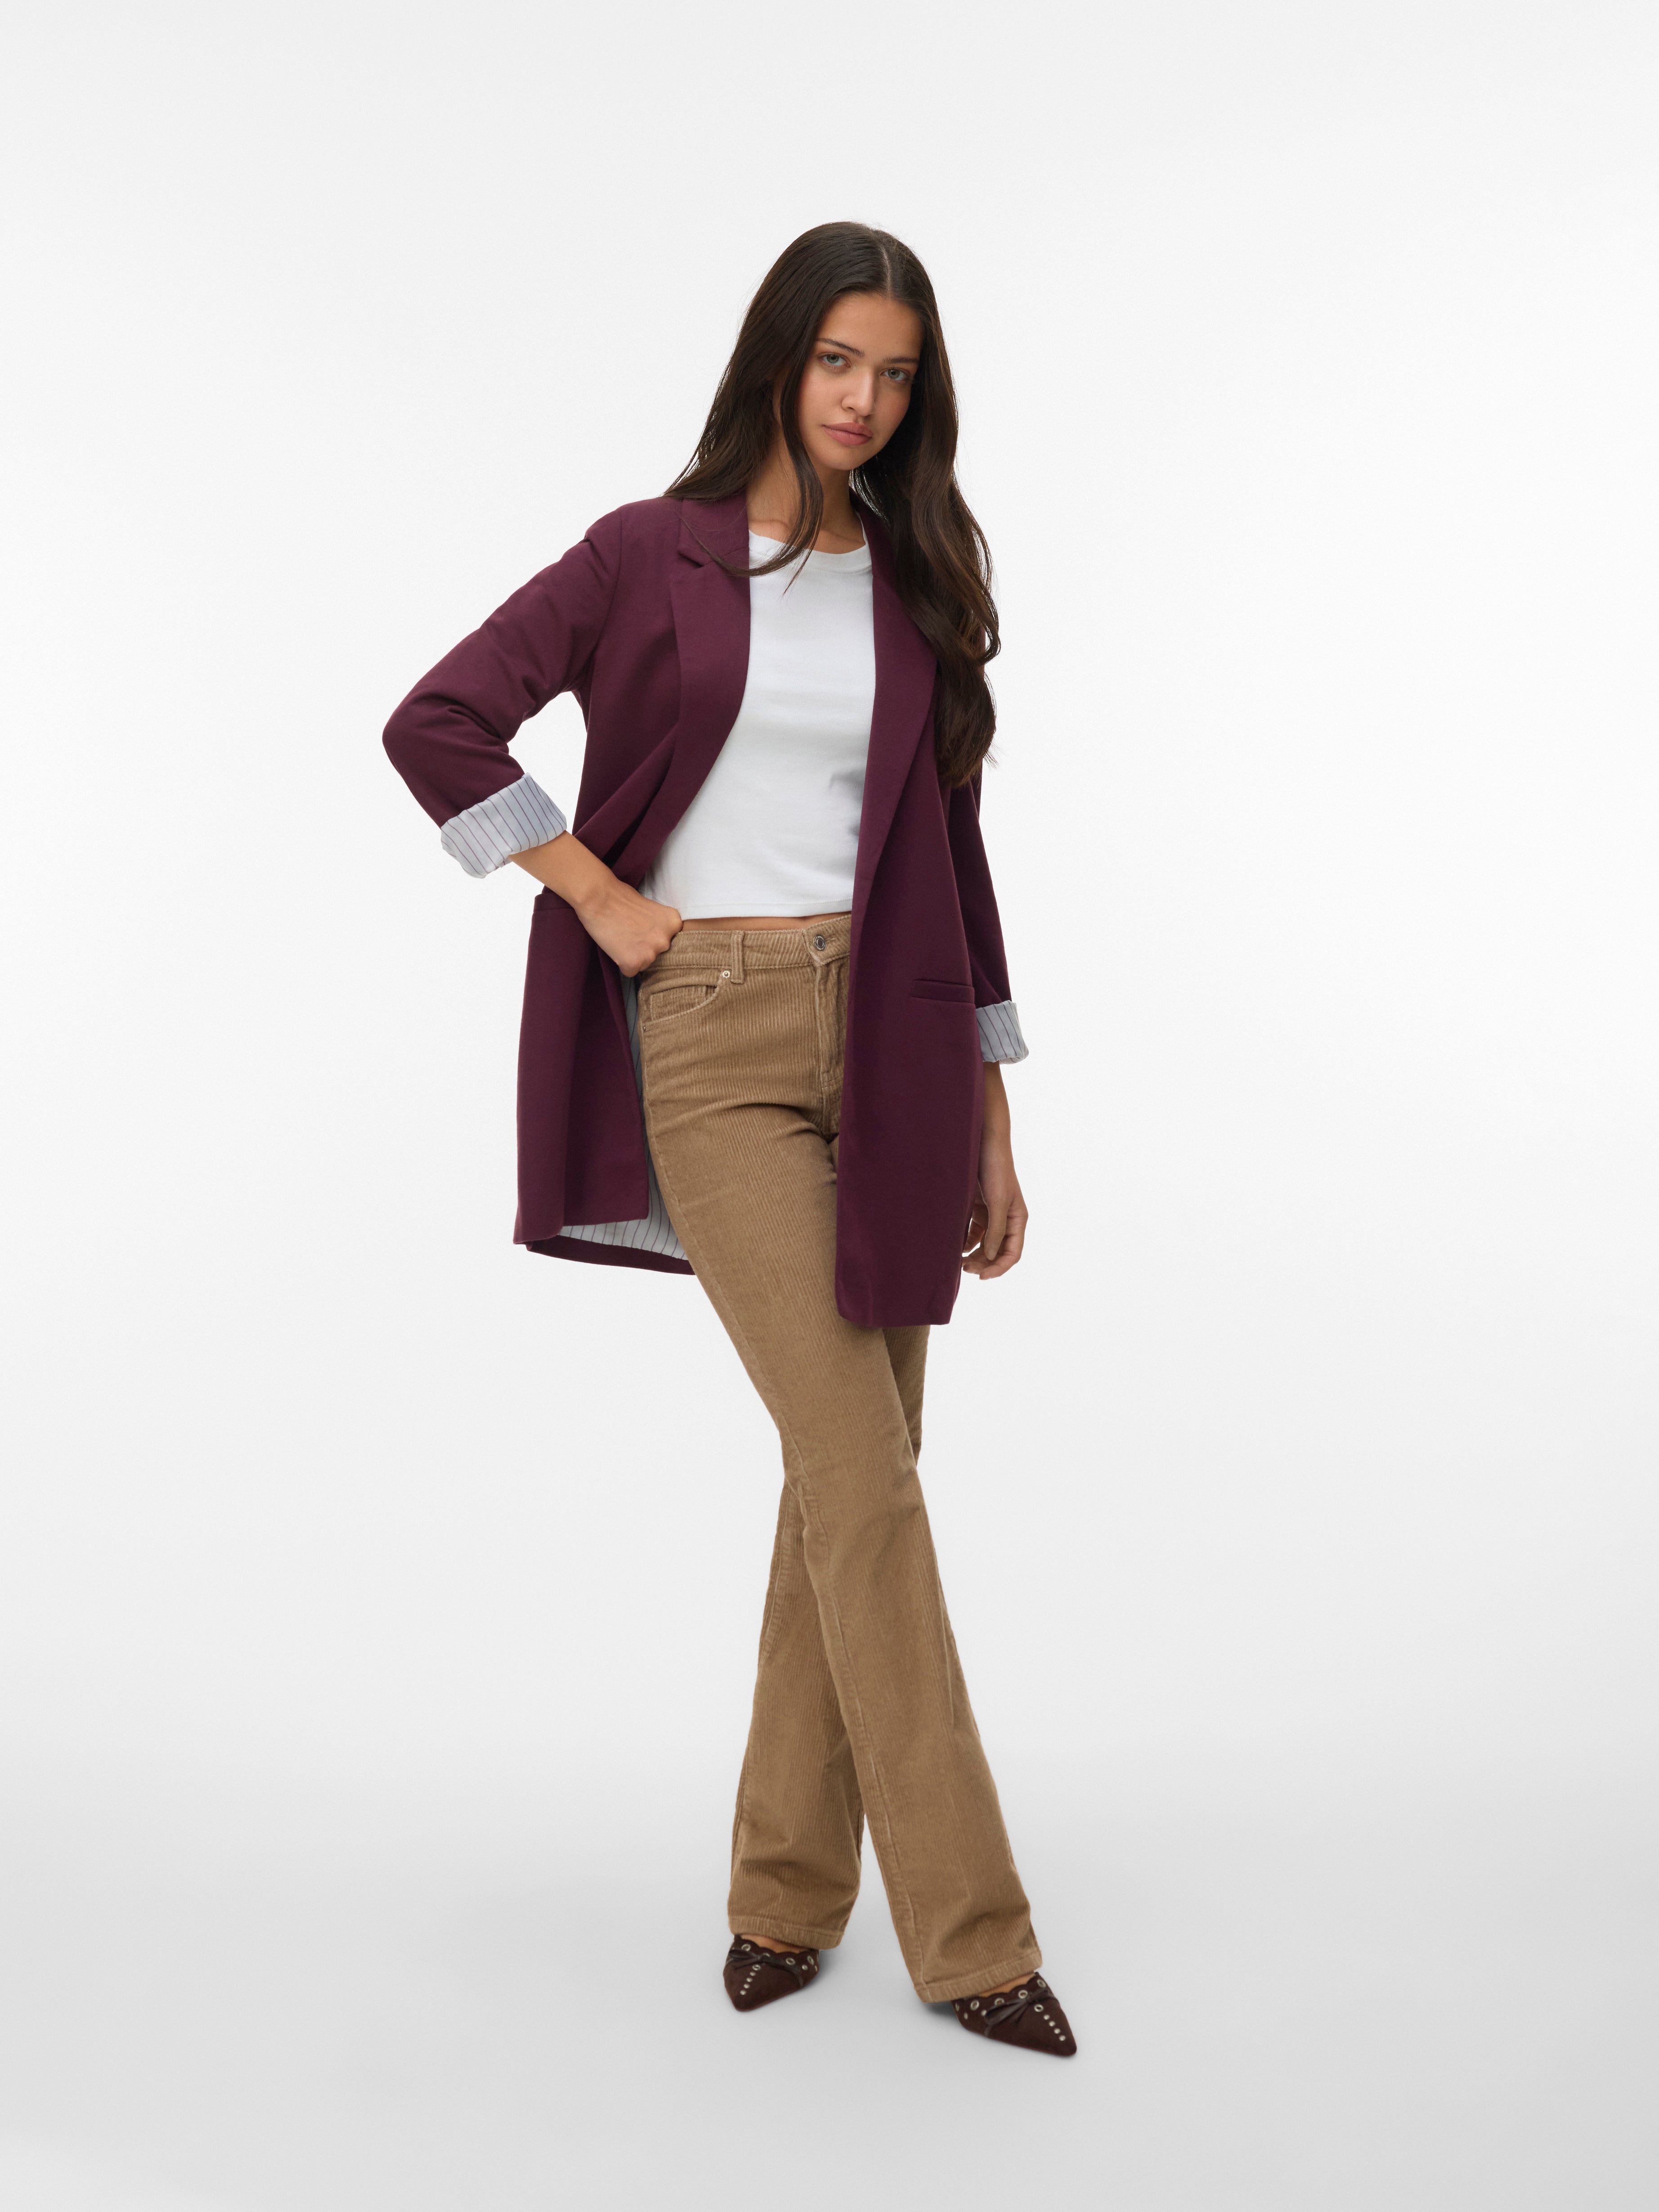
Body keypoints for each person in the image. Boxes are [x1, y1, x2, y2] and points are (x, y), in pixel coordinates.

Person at [383, 222, 1074, 2056]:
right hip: (712, 1033)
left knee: (846, 1478)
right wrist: (598, 892)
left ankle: (782, 1893)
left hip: (902, 1030)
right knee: (866, 1475)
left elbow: (954, 850)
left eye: (898, 374)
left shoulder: (913, 576)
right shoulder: (647, 553)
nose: (866, 400)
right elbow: (436, 719)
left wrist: (993, 1099)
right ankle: (976, 1934)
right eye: (839, 360)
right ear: (779, 357)